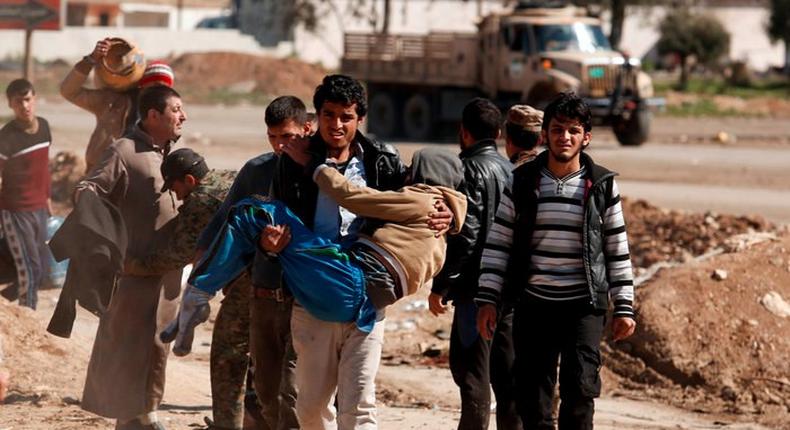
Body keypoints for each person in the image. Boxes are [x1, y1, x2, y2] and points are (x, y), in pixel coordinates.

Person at [169, 146, 466, 386]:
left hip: (347, 283)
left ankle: (198, 294)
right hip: (356, 299)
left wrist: (318, 168)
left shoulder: (424, 201)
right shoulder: (442, 227)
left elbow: (355, 198)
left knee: (254, 212)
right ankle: (197, 299)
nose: (406, 174)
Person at [272, 74, 451, 429]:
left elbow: (413, 202)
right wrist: (270, 244)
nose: (336, 125)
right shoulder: (294, 162)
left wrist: (447, 212)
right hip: (314, 299)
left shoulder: (381, 161)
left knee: (360, 407)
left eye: (346, 116)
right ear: (317, 115)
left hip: (368, 296)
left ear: (360, 119)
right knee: (310, 409)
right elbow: (277, 214)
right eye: (328, 114)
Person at [476, 92, 637, 430]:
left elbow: (616, 248)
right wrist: (489, 298)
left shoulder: (602, 186)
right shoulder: (521, 182)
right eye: (558, 129)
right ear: (544, 134)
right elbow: (499, 243)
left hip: (584, 307)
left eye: (573, 131)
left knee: (580, 394)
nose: (565, 137)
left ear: (586, 138)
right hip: (534, 306)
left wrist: (623, 306)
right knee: (534, 400)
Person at [194, 95, 312, 430]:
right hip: (256, 280)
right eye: (273, 137)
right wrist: (203, 265)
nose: (279, 145)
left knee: (297, 382)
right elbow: (224, 218)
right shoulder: (257, 170)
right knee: (242, 362)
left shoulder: (322, 171)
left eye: (287, 137)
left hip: (306, 290)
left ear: (306, 129)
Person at [75, 85, 187, 430]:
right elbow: (87, 191)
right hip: (135, 273)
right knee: (127, 348)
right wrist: (108, 243)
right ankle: (128, 418)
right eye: (176, 110)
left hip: (167, 277)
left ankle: (147, 413)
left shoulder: (171, 155)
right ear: (153, 116)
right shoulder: (123, 151)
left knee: (158, 346)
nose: (183, 116)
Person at [428, 98, 520, 430]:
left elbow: (467, 234)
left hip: (474, 292)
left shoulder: (465, 170)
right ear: (498, 133)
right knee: (507, 378)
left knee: (472, 375)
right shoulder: (514, 170)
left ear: (462, 132)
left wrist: (442, 284)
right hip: (510, 290)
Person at [60, 38, 174, 172]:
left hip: (139, 178)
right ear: (144, 84)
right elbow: (69, 91)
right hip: (101, 173)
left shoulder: (171, 115)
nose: (159, 92)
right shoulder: (110, 101)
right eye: (155, 85)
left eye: (165, 88)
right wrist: (90, 60)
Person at [0, 79, 52, 310]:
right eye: (19, 102)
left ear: (35, 99)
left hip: (39, 208)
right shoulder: (6, 137)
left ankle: (7, 310)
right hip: (15, 211)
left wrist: (47, 198)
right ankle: (27, 320)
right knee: (29, 271)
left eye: (28, 99)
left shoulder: (45, 126)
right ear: (10, 104)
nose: (25, 106)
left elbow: (43, 166)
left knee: (41, 271)